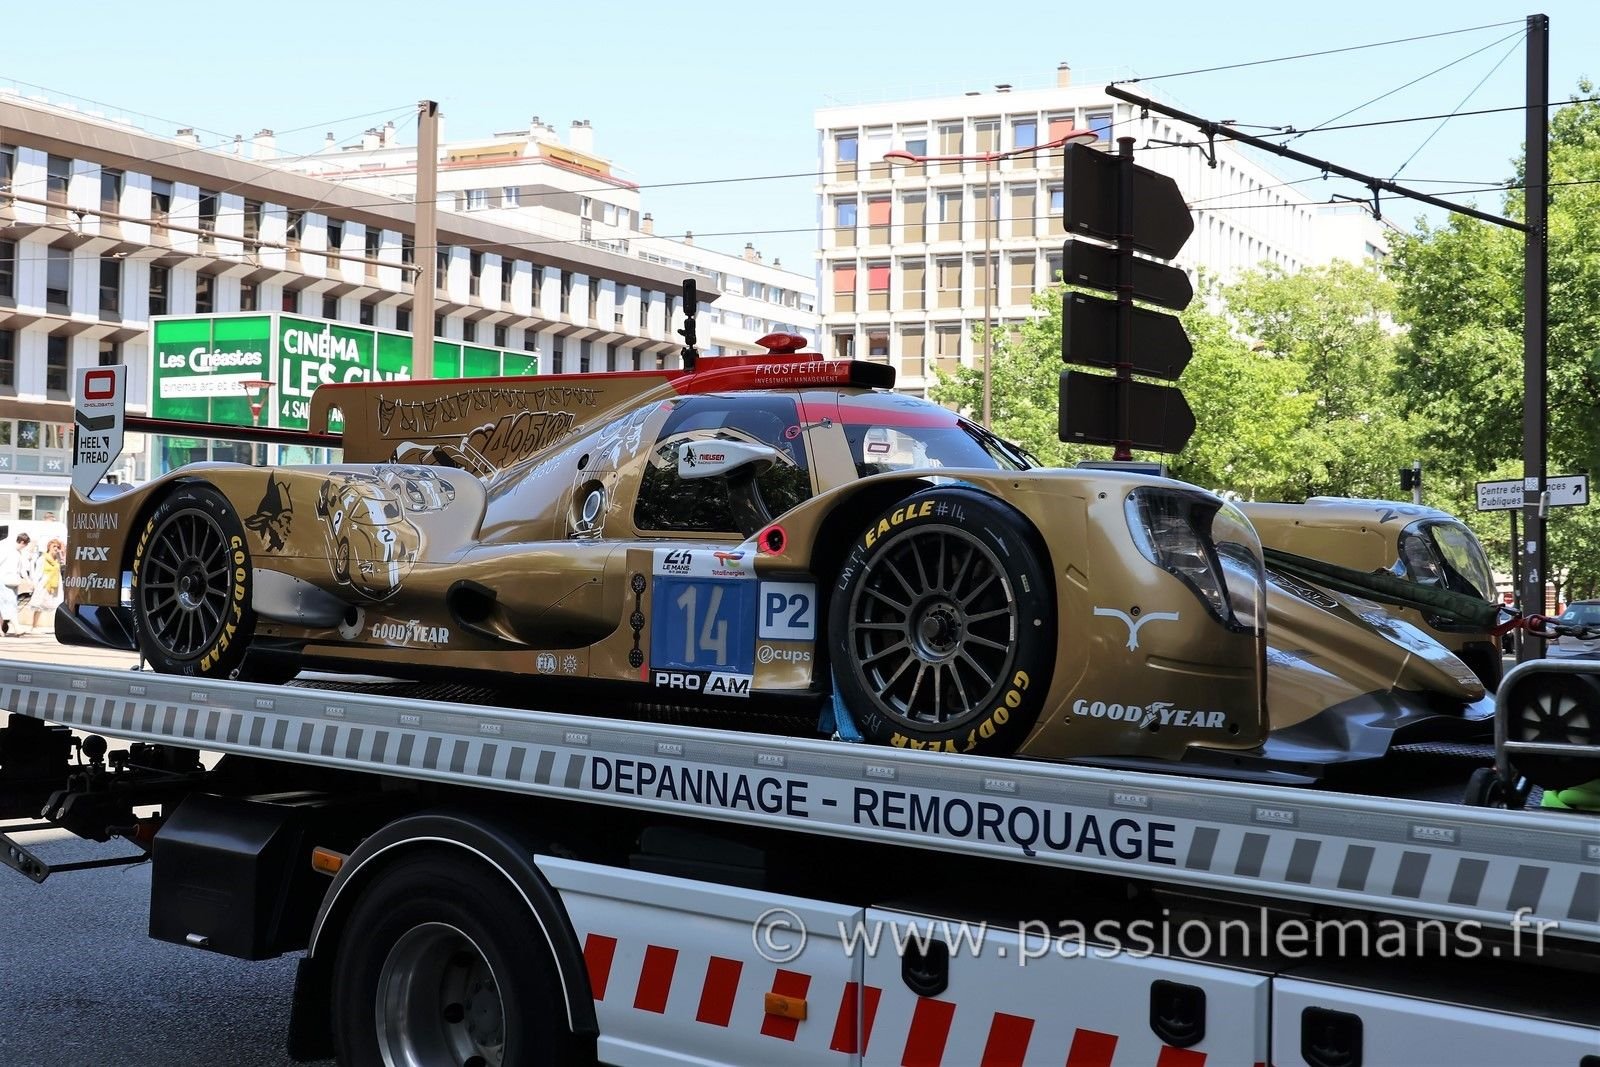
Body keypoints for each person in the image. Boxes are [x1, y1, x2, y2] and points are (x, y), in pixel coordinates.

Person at [23, 538, 64, 634]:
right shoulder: (43, 558)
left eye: (57, 547)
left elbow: (61, 567)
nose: (56, 548)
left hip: (55, 584)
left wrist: (61, 554)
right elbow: (38, 572)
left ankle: (57, 627)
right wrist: (34, 584)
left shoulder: (57, 558)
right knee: (38, 604)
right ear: (49, 547)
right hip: (45, 582)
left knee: (56, 605)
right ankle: (33, 626)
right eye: (54, 546)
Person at [0, 532, 26, 637]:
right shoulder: (8, 550)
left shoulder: (18, 553)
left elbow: (21, 569)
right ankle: (17, 627)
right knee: (10, 604)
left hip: (12, 581)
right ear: (22, 542)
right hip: (4, 580)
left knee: (5, 605)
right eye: (25, 544)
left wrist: (26, 579)